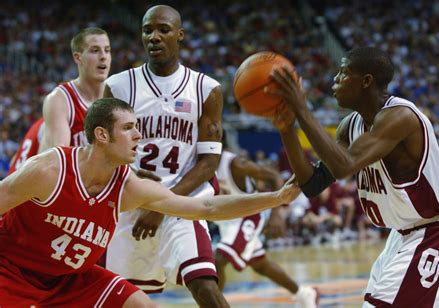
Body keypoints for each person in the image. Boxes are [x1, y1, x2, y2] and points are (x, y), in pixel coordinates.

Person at [0, 98, 300, 306]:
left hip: (69, 279)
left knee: (141, 304)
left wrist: (277, 197)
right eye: (128, 128)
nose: (139, 135)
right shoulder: (49, 171)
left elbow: (204, 208)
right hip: (12, 272)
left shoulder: (128, 187)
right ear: (102, 135)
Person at [269, 47, 439, 307]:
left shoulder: (400, 117)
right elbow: (313, 183)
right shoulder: (349, 125)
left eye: (344, 72)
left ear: (366, 81)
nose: (335, 79)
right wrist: (287, 129)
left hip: (438, 230)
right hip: (402, 235)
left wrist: (302, 110)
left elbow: (345, 165)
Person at [104, 5, 227, 306]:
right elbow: (102, 152)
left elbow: (208, 162)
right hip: (129, 205)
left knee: (206, 287)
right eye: (147, 30)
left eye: (163, 30)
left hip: (182, 203)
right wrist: (134, 182)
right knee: (125, 300)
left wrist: (163, 205)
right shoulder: (119, 86)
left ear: (180, 35)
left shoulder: (206, 89)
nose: (154, 37)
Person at [215, 147, 319, 308]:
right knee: (260, 264)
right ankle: (303, 293)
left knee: (218, 260)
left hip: (246, 216)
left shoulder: (236, 164)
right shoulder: (200, 162)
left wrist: (276, 214)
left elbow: (274, 176)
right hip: (227, 221)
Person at [39, 27, 111, 152]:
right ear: (78, 58)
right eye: (95, 50)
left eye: (107, 50)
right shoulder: (60, 99)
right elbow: (60, 160)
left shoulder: (118, 94)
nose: (103, 56)